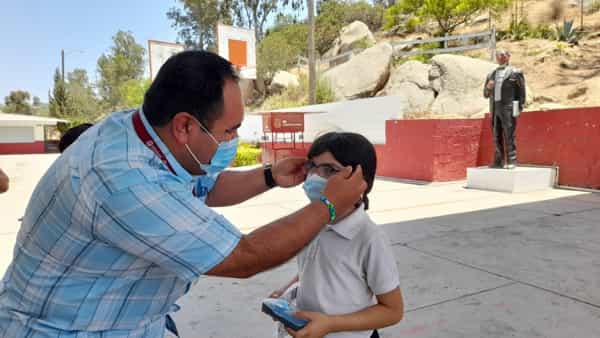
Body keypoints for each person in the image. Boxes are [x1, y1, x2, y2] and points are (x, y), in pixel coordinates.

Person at [0, 51, 366, 337]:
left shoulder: (144, 133)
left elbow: (202, 189)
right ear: (185, 126)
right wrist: (329, 205)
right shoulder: (122, 178)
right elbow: (245, 258)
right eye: (228, 131)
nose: (233, 142)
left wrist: (269, 176)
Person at [270, 132, 404, 338]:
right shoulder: (312, 224)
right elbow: (314, 268)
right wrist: (286, 292)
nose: (315, 177)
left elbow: (392, 311)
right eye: (312, 167)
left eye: (330, 170)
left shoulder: (369, 239)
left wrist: (330, 324)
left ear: (361, 182)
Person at [483, 49, 526, 169]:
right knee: (496, 135)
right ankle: (498, 160)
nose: (500, 57)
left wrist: (517, 109)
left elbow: (521, 93)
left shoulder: (515, 72)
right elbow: (485, 95)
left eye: (502, 55)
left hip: (508, 108)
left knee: (509, 134)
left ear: (508, 56)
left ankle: (512, 160)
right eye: (498, 55)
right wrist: (488, 87)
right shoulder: (491, 74)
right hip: (495, 108)